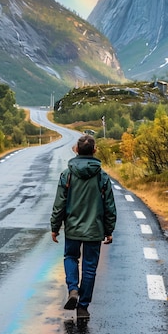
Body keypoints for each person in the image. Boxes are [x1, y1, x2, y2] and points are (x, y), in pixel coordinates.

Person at [50, 134, 117, 319]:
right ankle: (83, 307)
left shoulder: (67, 174)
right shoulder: (102, 176)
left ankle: (73, 289)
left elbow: (59, 204)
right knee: (89, 268)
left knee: (71, 257)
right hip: (95, 230)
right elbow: (109, 206)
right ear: (95, 150)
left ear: (76, 149)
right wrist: (109, 230)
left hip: (72, 228)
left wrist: (55, 227)